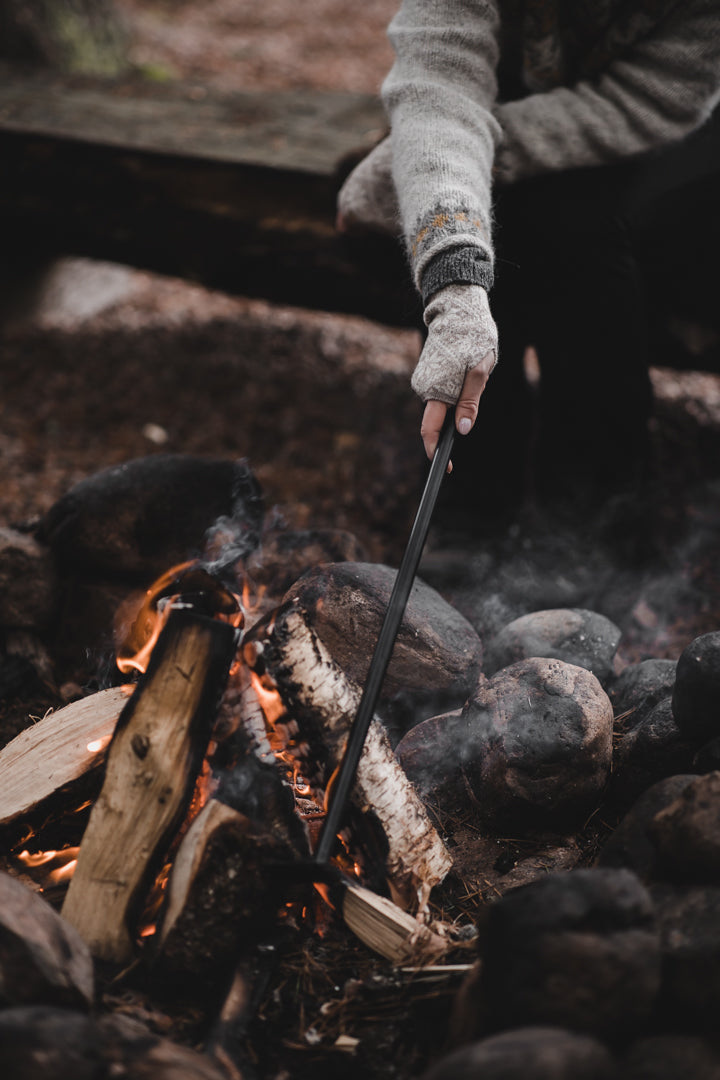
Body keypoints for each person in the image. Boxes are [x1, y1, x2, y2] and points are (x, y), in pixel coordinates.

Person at [337, 0, 720, 525]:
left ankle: (594, 518)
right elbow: (438, 87)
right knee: (467, 222)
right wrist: (455, 283)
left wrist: (473, 151)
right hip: (503, 99)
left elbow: (650, 99)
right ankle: (475, 500)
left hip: (676, 140)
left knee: (582, 233)